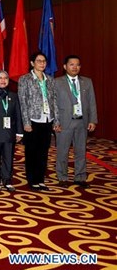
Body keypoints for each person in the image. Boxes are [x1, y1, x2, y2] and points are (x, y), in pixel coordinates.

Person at [53, 55, 97, 188]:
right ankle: (62, 177)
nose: (75, 67)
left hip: (82, 122)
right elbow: (53, 103)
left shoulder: (87, 82)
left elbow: (92, 102)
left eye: (77, 64)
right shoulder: (57, 82)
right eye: (71, 64)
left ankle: (80, 177)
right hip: (64, 122)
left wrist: (93, 120)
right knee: (62, 151)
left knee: (81, 151)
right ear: (65, 67)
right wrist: (55, 121)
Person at [17, 51, 59, 192]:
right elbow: (23, 102)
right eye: (39, 61)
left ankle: (40, 180)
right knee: (31, 151)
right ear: (32, 63)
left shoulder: (50, 80)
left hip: (47, 119)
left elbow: (54, 101)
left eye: (44, 61)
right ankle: (32, 180)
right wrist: (26, 122)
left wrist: (56, 120)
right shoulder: (25, 79)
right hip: (33, 120)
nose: (42, 63)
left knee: (43, 151)